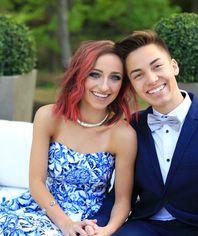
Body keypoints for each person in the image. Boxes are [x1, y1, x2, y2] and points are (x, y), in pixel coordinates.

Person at [91, 30, 198, 236]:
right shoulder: (131, 127)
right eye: (138, 75)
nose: (151, 79)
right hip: (146, 226)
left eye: (157, 66)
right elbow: (120, 194)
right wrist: (97, 226)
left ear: (174, 66)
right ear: (132, 85)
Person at [0, 40, 137, 236]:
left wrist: (107, 231)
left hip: (89, 219)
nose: (105, 86)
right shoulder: (48, 117)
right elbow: (36, 181)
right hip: (43, 209)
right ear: (79, 75)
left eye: (115, 77)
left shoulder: (123, 135)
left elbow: (122, 201)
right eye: (95, 74)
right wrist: (65, 224)